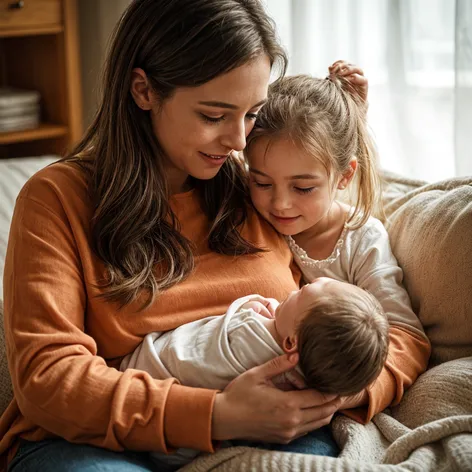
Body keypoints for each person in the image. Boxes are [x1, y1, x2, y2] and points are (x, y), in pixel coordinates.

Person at [1, 2, 367, 471]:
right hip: (91, 444)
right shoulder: (57, 199)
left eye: (252, 114)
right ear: (144, 91)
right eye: (214, 115)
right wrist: (216, 415)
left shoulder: (260, 190)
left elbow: (380, 316)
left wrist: (333, 393)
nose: (238, 141)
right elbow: (48, 380)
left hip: (267, 428)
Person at [245, 68, 431, 423]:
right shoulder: (248, 215)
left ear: (344, 176)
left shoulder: (361, 240)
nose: (280, 204)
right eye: (261, 182)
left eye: (303, 188)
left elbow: (407, 337)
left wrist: (344, 396)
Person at [121, 277, 389, 468]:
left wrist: (251, 307)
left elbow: (228, 322)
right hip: (176, 444)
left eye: (301, 293)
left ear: (290, 344)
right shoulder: (304, 379)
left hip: (142, 375)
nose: (308, 282)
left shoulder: (246, 330)